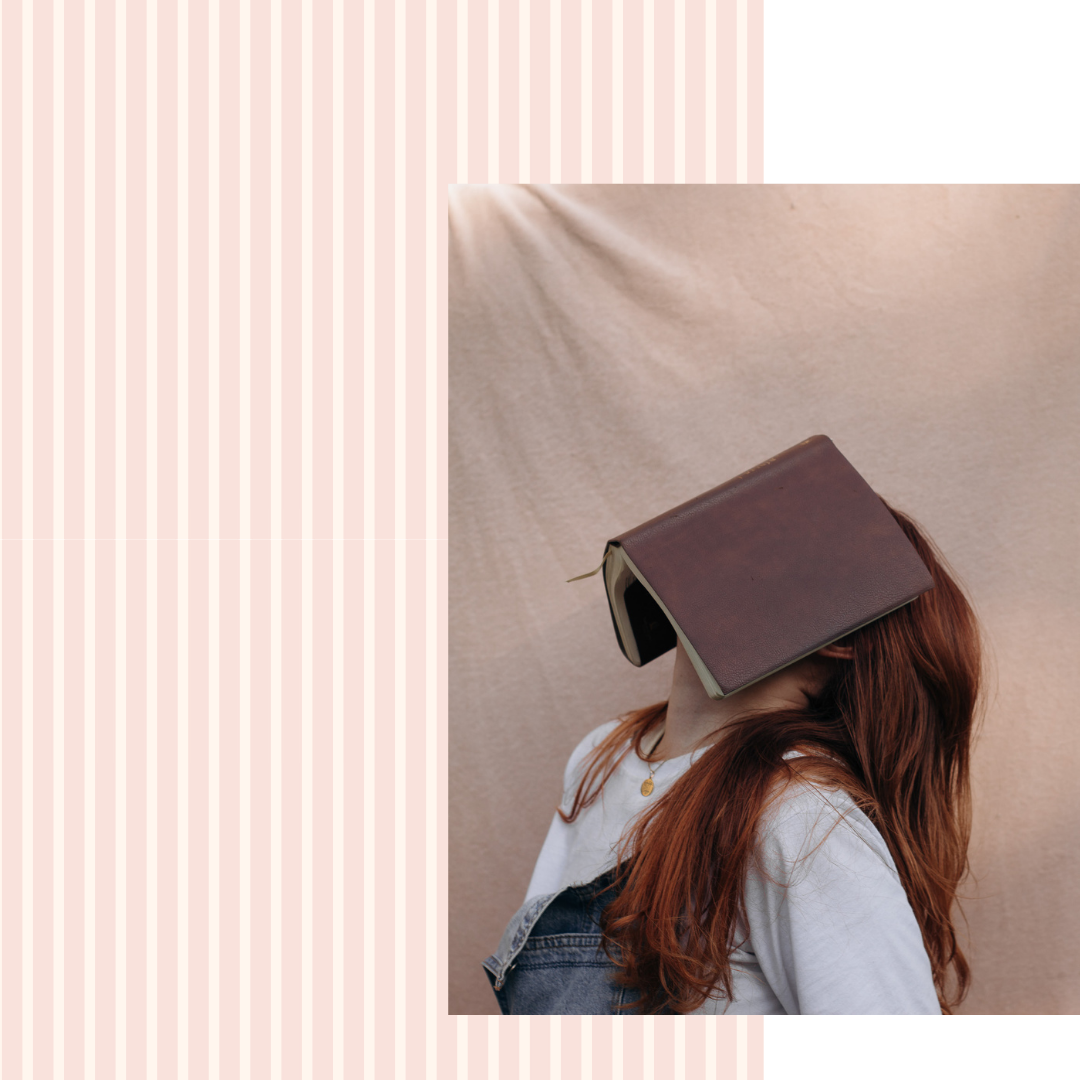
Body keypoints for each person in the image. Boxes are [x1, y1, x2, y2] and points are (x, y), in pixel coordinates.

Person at [482, 501, 983, 1015]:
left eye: (766, 545)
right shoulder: (602, 753)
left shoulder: (800, 817)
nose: (724, 544)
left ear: (839, 632)